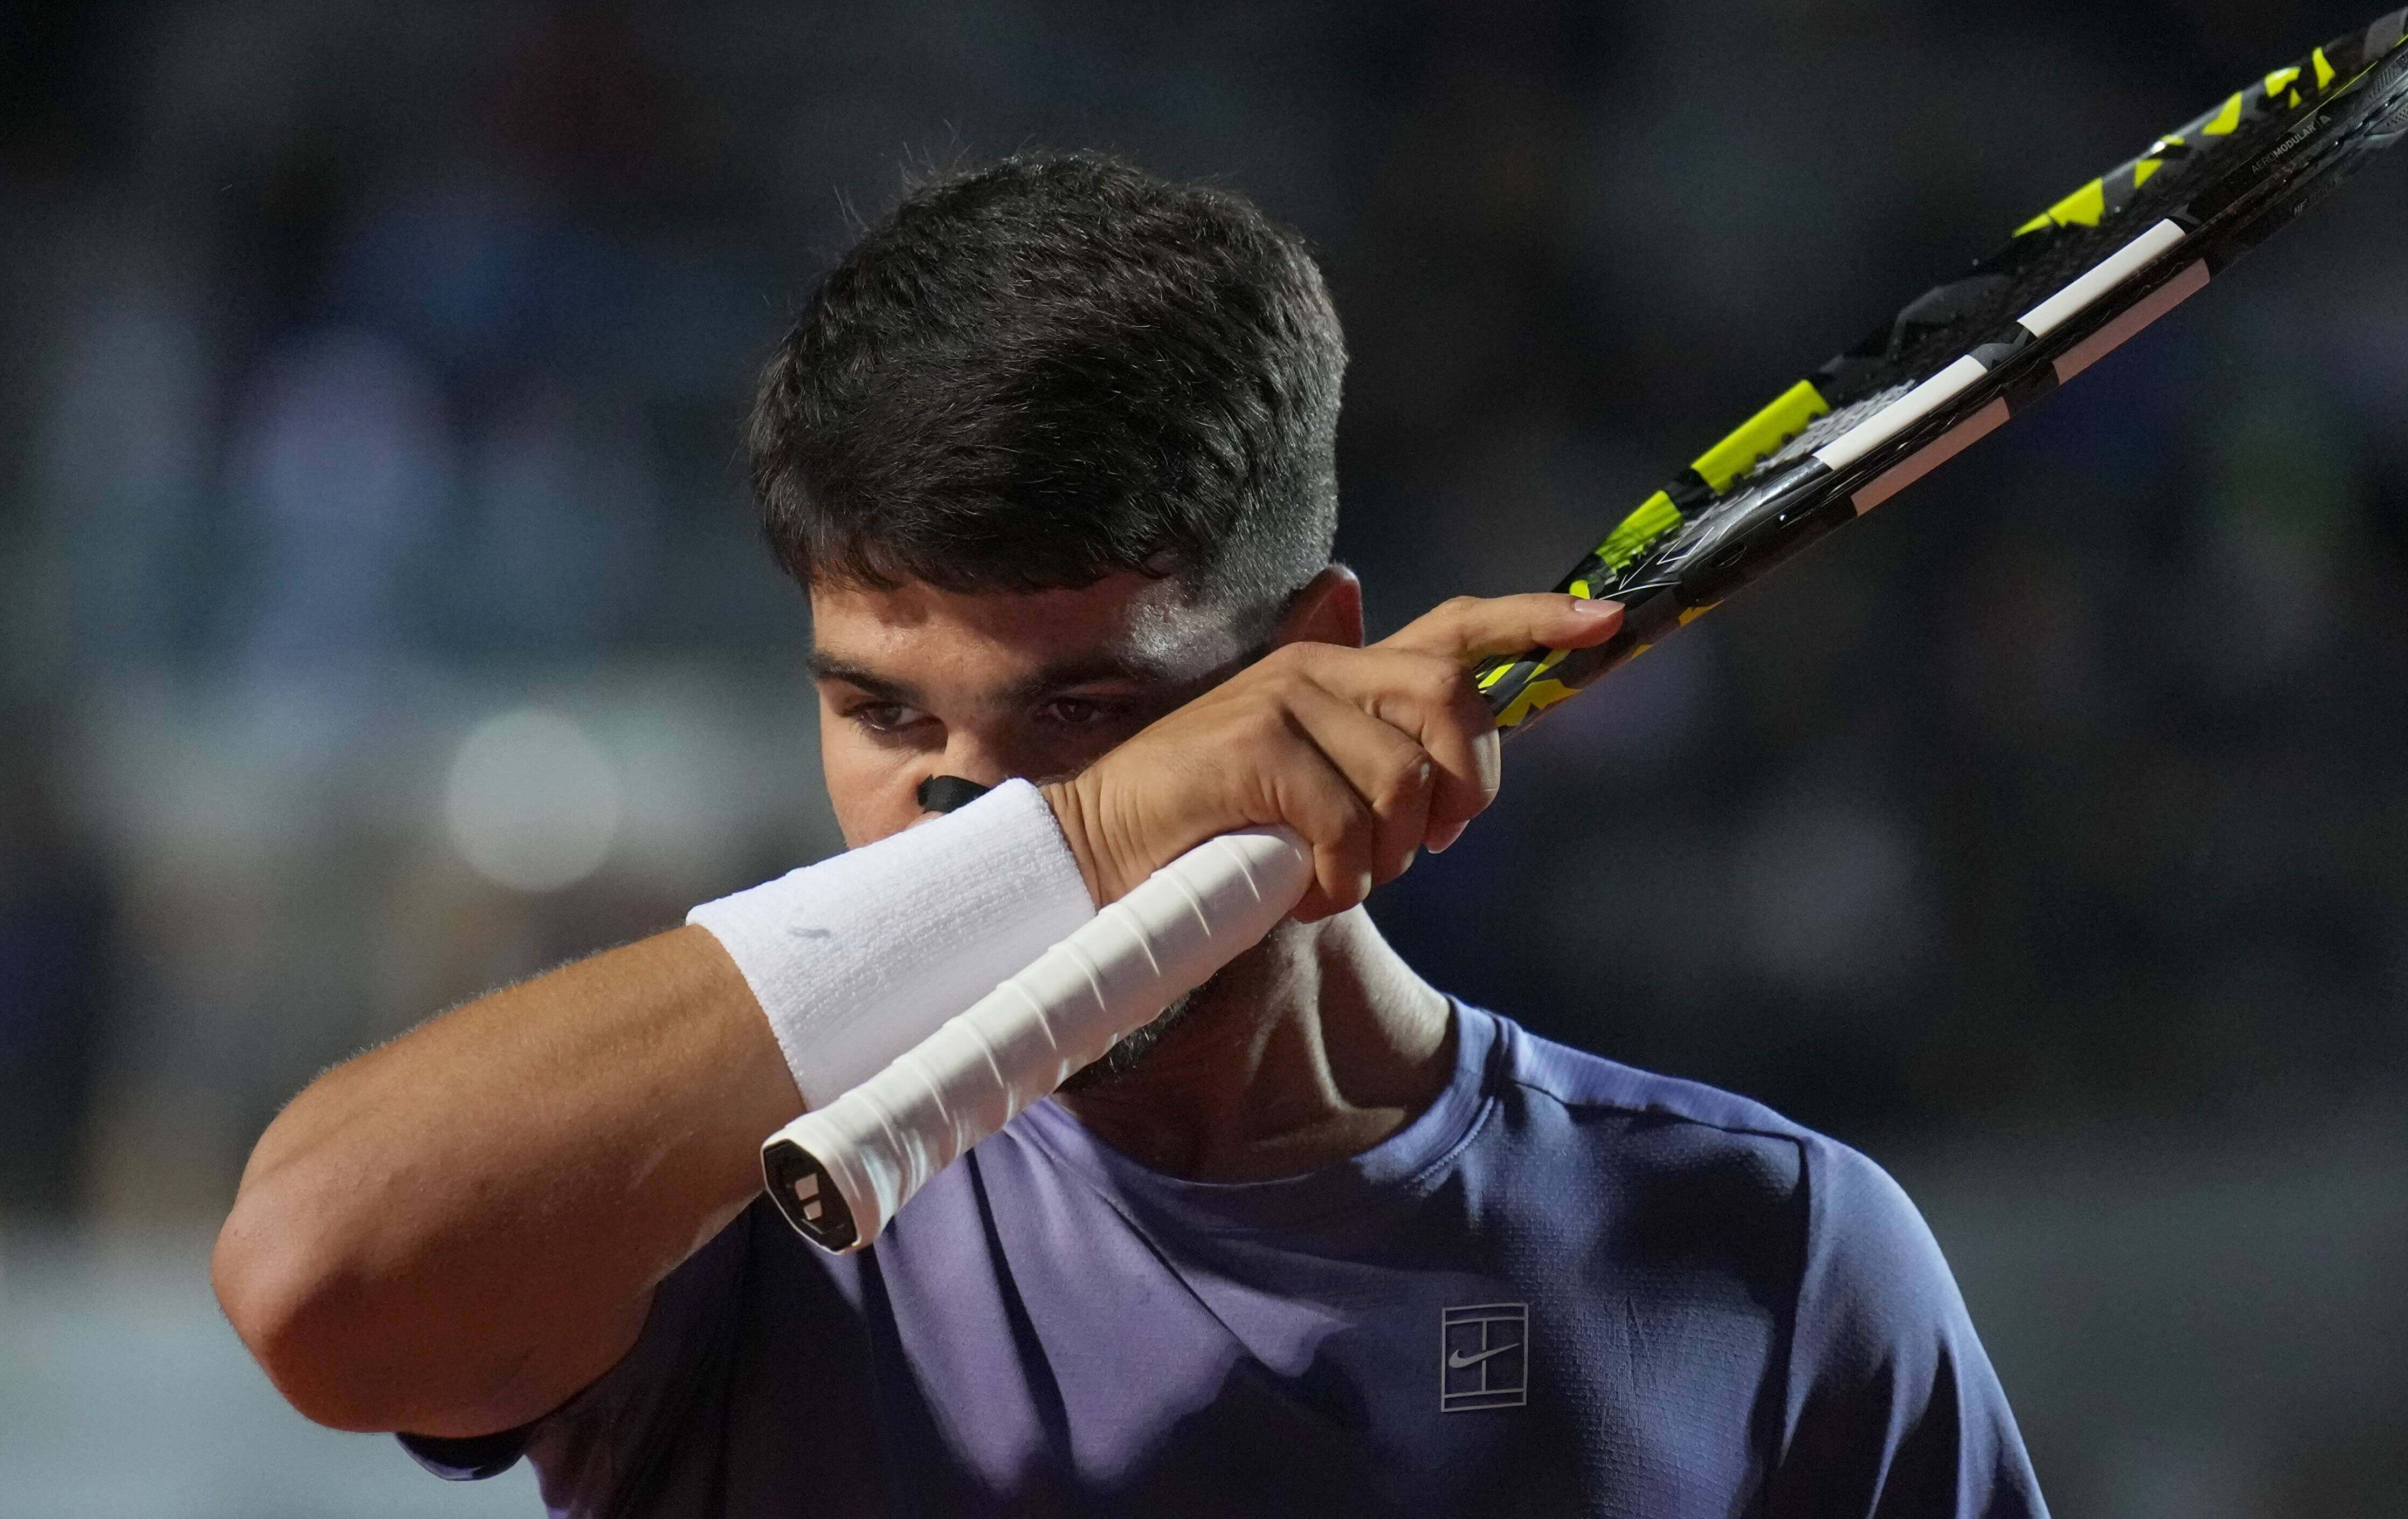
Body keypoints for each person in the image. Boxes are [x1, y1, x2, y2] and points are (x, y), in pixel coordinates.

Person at [213, 153, 2046, 1517]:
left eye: (1085, 713)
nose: (957, 803)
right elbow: (312, 1277)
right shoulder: (697, 1179)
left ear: (1312, 655)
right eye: (884, 715)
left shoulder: (1772, 1257)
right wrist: (1090, 832)